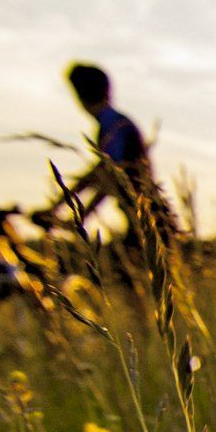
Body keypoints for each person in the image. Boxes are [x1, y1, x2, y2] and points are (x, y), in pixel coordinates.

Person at [33, 63, 180, 294]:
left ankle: (144, 329)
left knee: (135, 285)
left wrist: (74, 214)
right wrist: (65, 210)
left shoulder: (114, 125)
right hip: (147, 216)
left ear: (78, 96)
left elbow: (108, 176)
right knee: (141, 286)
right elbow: (101, 174)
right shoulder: (116, 123)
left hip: (147, 218)